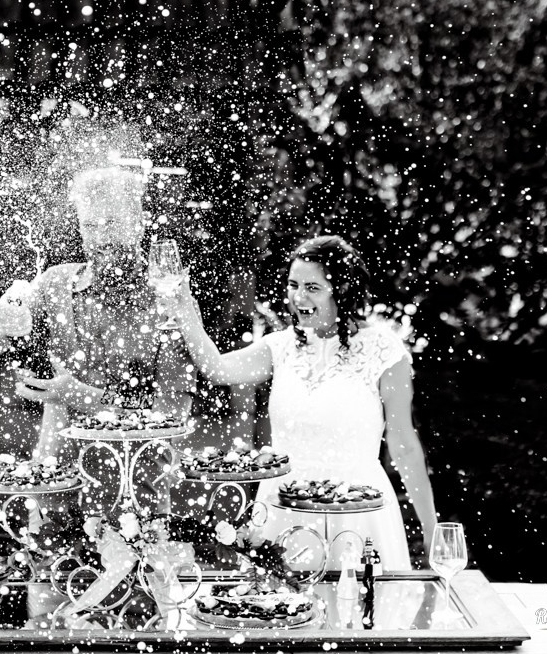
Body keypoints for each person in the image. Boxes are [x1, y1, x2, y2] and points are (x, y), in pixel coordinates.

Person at [164, 235, 438, 570]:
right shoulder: (278, 347)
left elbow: (404, 446)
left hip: (358, 512)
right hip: (282, 510)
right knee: (283, 612)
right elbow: (216, 369)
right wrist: (184, 310)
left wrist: (431, 528)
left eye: (312, 287)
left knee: (360, 613)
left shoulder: (383, 352)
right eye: (294, 285)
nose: (298, 297)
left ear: (342, 290)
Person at [0, 166, 194, 513]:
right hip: (54, 489)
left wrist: (83, 397)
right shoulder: (56, 283)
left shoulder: (169, 297)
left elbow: (171, 417)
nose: (100, 239)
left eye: (112, 224)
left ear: (140, 222)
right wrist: (1, 320)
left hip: (138, 495)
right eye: (90, 226)